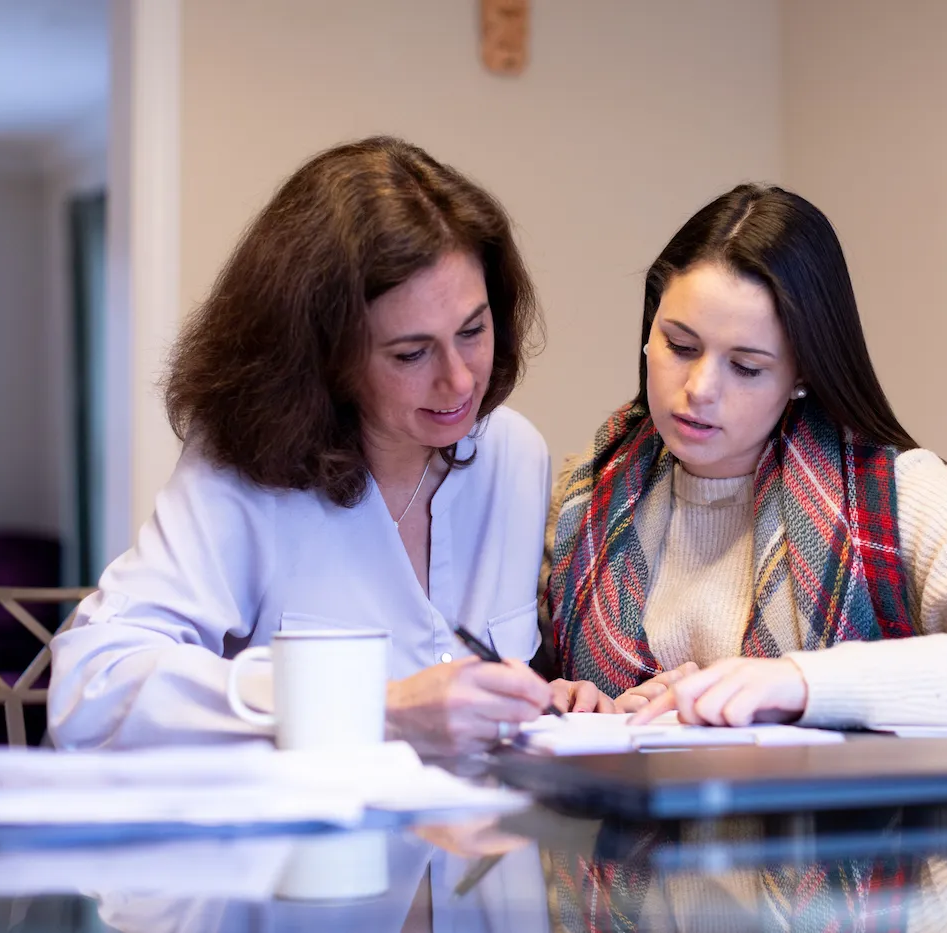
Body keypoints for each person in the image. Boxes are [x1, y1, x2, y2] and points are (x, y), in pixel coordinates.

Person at [50, 136, 605, 757]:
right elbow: (89, 688)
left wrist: (548, 694)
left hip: (478, 845)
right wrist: (375, 707)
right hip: (297, 848)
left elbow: (483, 685)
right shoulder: (245, 466)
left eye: (473, 330)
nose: (460, 379)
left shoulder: (513, 456)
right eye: (410, 353)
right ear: (323, 354)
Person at [541, 183, 947, 732]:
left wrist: (803, 684)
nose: (699, 388)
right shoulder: (581, 498)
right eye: (679, 345)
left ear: (802, 373)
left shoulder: (891, 496)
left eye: (746, 366)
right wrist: (572, 706)